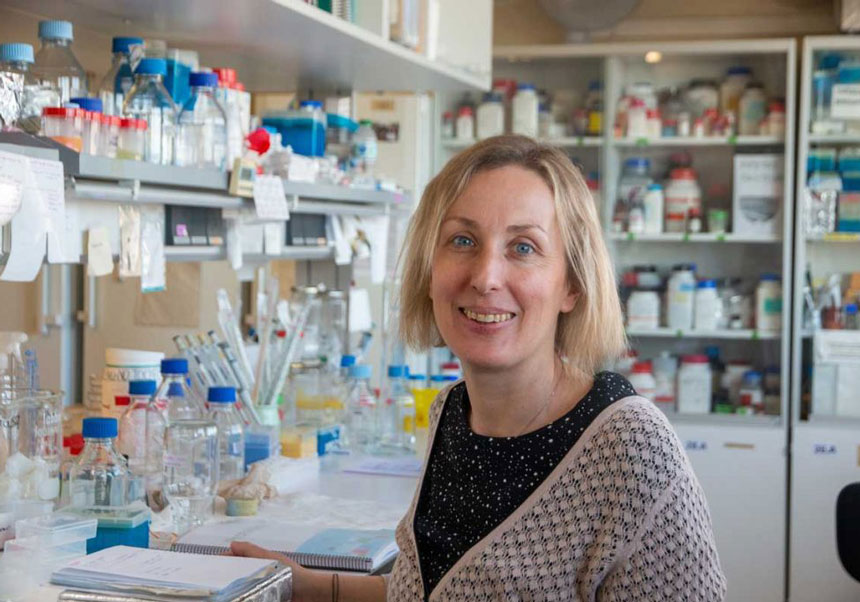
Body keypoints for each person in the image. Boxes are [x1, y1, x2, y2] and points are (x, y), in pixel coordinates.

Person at [232, 135, 727, 601]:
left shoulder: (631, 447)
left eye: (524, 248)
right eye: (463, 241)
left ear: (572, 285)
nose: (486, 277)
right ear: (429, 273)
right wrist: (301, 583)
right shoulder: (452, 411)